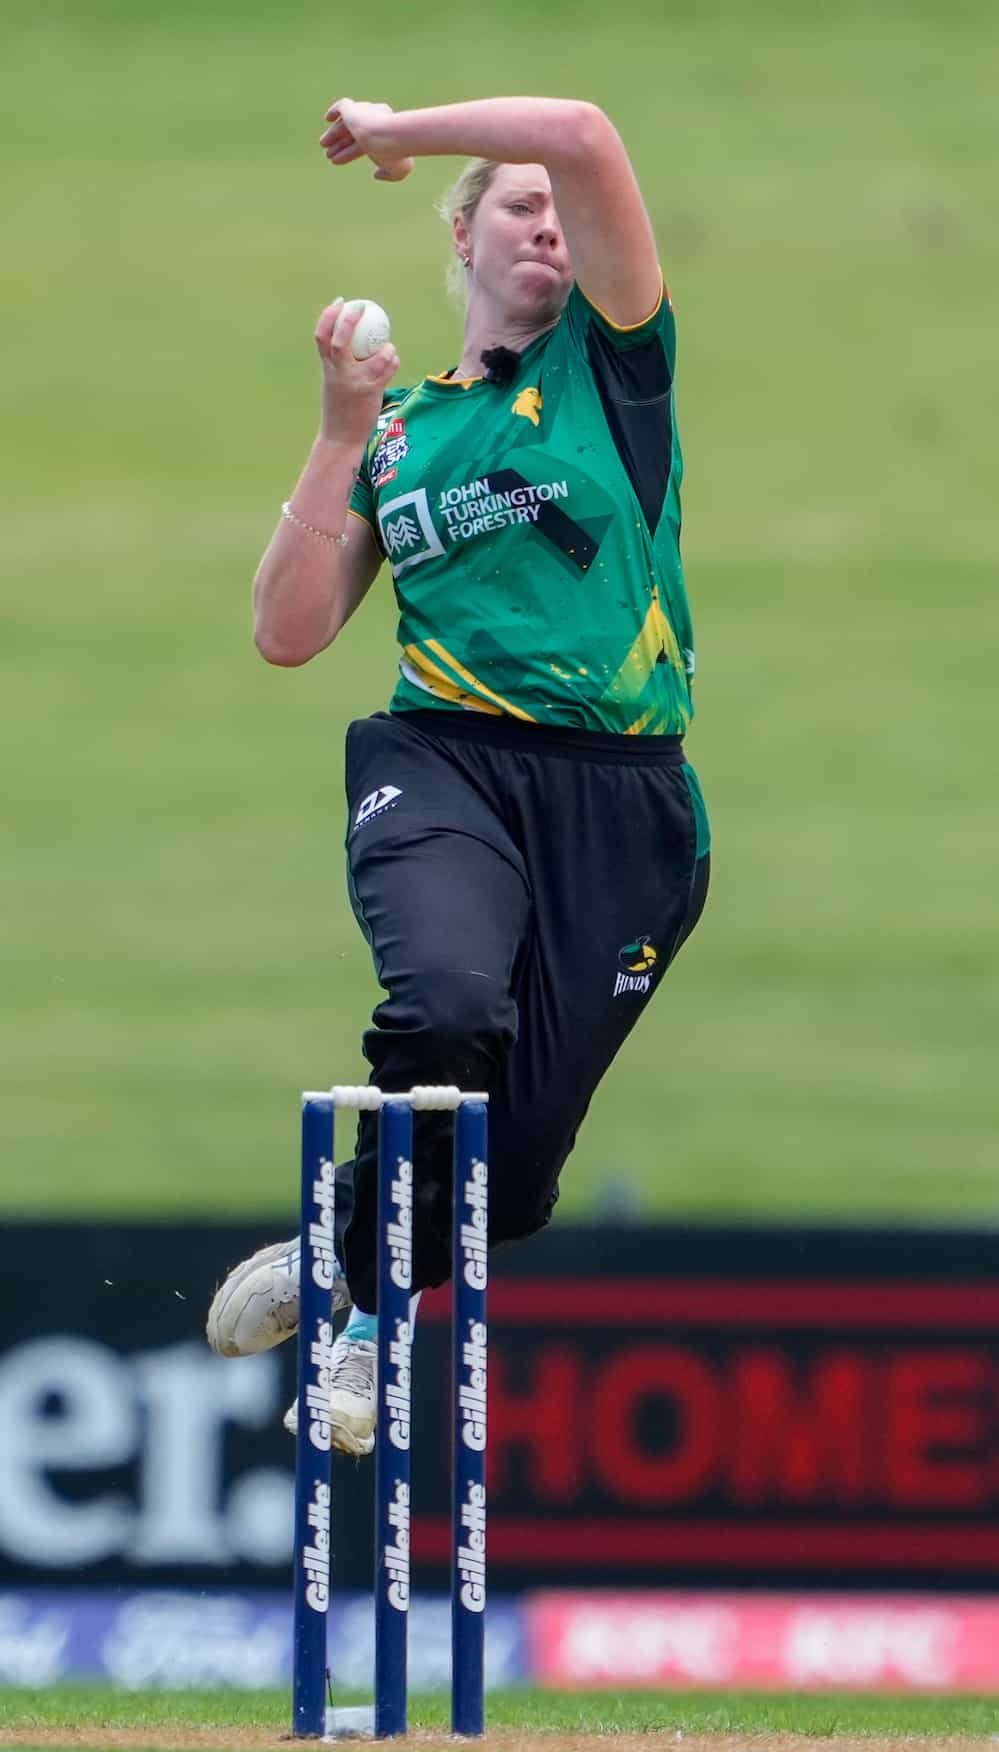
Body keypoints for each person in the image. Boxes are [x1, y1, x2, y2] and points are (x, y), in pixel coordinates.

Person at [207, 93, 711, 1456]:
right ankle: (369, 1321)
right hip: (445, 765)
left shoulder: (615, 368)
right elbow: (287, 633)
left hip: (627, 803)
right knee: (440, 1017)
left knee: (519, 1170)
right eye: (516, 207)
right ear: (462, 234)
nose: (548, 222)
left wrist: (398, 125)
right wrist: (335, 423)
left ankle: (341, 1249)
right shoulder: (400, 433)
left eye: (558, 211)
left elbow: (591, 130)